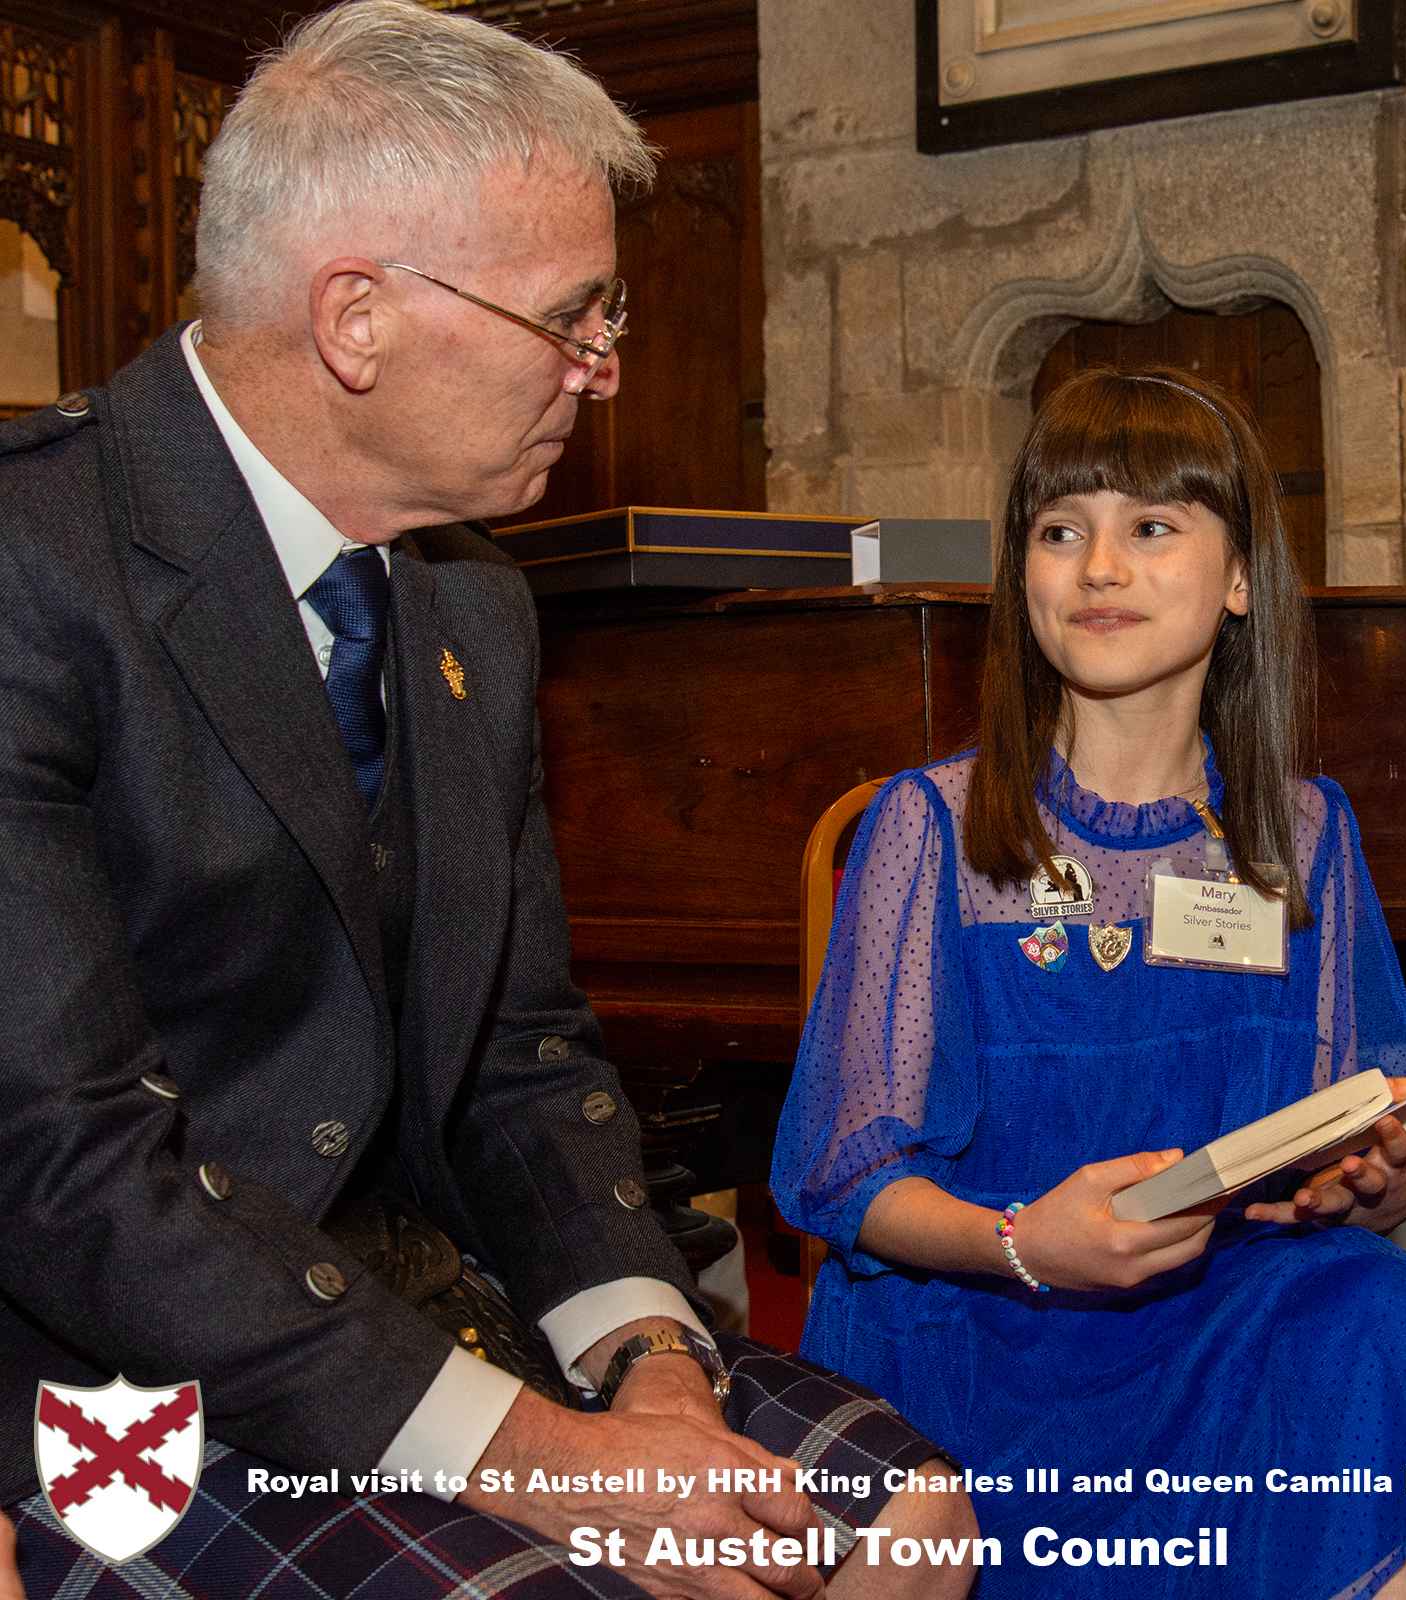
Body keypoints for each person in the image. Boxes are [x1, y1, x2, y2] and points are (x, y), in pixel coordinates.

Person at [0, 4, 973, 1596]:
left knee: (908, 1529)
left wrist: (650, 1362)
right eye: (567, 319)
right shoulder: (30, 568)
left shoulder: (469, 603)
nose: (600, 375)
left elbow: (524, 1058)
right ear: (357, 319)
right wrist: (548, 1466)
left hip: (424, 1308)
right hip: (120, 1386)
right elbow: (74, 1171)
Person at [771, 367, 1406, 1600]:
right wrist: (1024, 1245)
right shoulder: (931, 827)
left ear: (1238, 581)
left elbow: (1373, 1121)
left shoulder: (1302, 832)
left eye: (1150, 527)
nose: (1098, 566)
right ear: (1024, 579)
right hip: (980, 1323)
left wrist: (1367, 1179)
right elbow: (846, 1176)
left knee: (1381, 1312)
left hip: (1219, 1319)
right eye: (1061, 532)